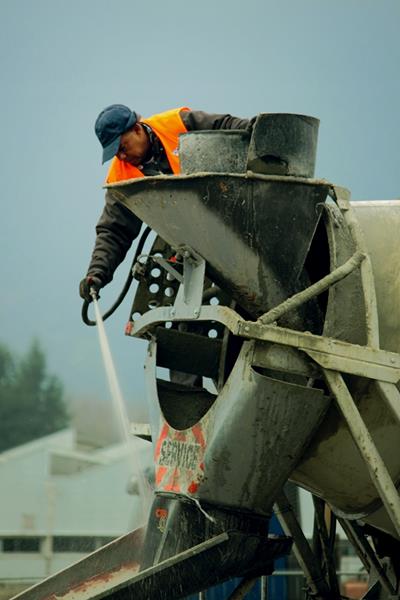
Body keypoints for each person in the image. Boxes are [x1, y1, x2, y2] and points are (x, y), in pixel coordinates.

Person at [79, 105, 251, 302]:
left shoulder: (178, 123)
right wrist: (97, 274)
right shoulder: (120, 178)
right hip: (192, 248)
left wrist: (256, 128)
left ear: (137, 129)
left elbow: (226, 125)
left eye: (122, 148)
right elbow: (114, 231)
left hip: (236, 219)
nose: (122, 157)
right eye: (116, 154)